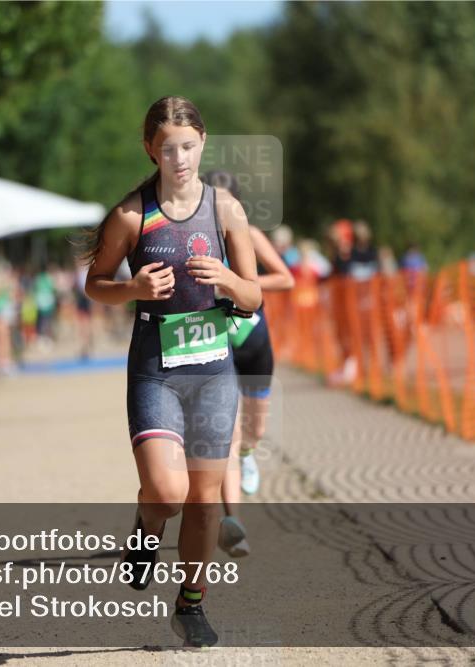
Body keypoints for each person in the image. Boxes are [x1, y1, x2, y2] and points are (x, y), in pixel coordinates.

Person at [82, 96, 261, 647]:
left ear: (202, 143)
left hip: (213, 370)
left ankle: (190, 604)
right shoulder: (133, 216)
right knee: (165, 490)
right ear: (150, 150)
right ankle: (147, 523)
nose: (179, 158)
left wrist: (228, 283)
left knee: (205, 500)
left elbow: (253, 296)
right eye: (167, 149)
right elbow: (94, 283)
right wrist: (133, 289)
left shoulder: (226, 209)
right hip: (155, 368)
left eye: (187, 146)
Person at [201, 171, 294, 558]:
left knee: (253, 431)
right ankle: (233, 521)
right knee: (229, 430)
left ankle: (246, 454)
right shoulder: (199, 240)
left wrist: (241, 283)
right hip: (219, 341)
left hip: (254, 340)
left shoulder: (251, 236)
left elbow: (285, 279)